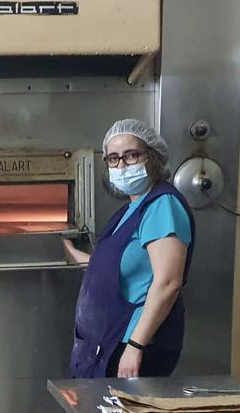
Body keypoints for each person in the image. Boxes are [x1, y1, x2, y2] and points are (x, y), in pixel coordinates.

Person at [65, 118, 194, 379]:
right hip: (109, 344)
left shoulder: (161, 206)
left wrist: (136, 347)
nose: (121, 165)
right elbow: (113, 268)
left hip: (136, 345)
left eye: (131, 155)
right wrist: (65, 248)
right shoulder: (131, 208)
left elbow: (168, 282)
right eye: (113, 158)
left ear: (153, 158)